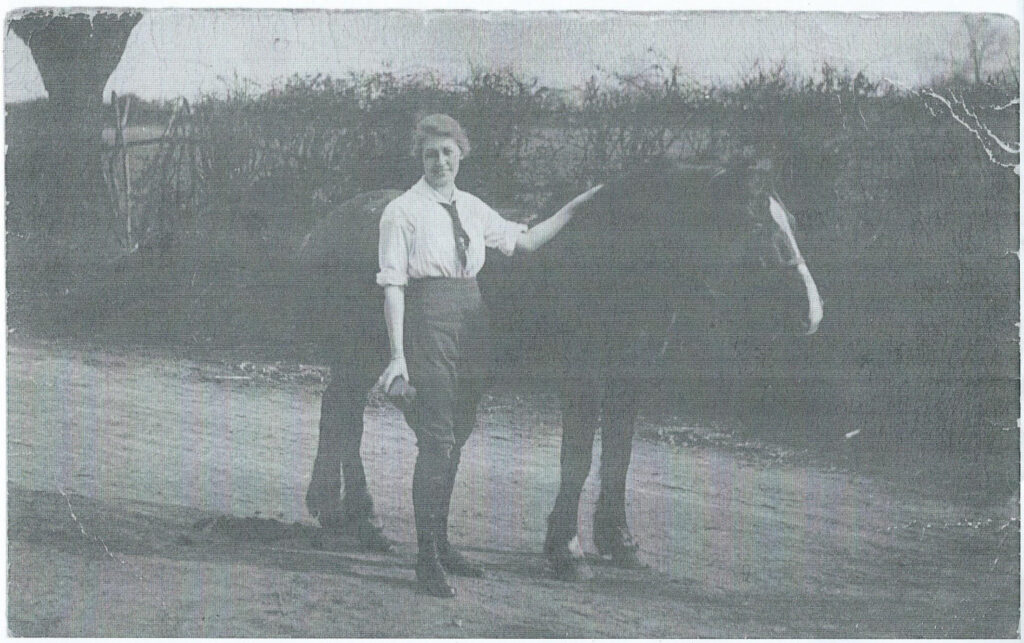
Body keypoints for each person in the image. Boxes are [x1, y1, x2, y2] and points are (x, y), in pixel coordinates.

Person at [375, 113, 602, 598]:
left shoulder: (475, 209)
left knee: (457, 433)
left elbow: (528, 241)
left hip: (473, 320)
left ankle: (443, 541)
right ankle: (426, 560)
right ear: (420, 159)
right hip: (428, 320)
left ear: (461, 156)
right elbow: (393, 286)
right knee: (435, 440)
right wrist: (397, 356)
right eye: (430, 154)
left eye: (447, 153)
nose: (439, 162)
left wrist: (579, 205)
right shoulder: (401, 211)